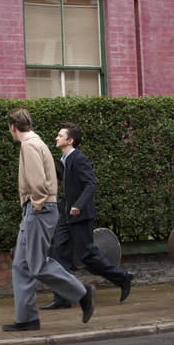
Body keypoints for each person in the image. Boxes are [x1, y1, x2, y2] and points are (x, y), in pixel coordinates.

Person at [2, 109, 93, 332]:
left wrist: (36, 205)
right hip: (35, 210)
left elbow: (38, 182)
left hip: (38, 210)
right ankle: (27, 319)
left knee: (36, 263)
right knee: (21, 265)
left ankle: (82, 293)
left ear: (13, 127)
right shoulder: (35, 142)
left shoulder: (29, 144)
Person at [40, 123, 133, 310]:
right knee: (58, 254)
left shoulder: (79, 158)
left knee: (87, 255)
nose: (56, 138)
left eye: (60, 135)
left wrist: (78, 205)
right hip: (66, 215)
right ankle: (62, 297)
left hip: (80, 216)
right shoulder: (64, 160)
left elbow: (91, 184)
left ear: (70, 140)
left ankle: (122, 277)